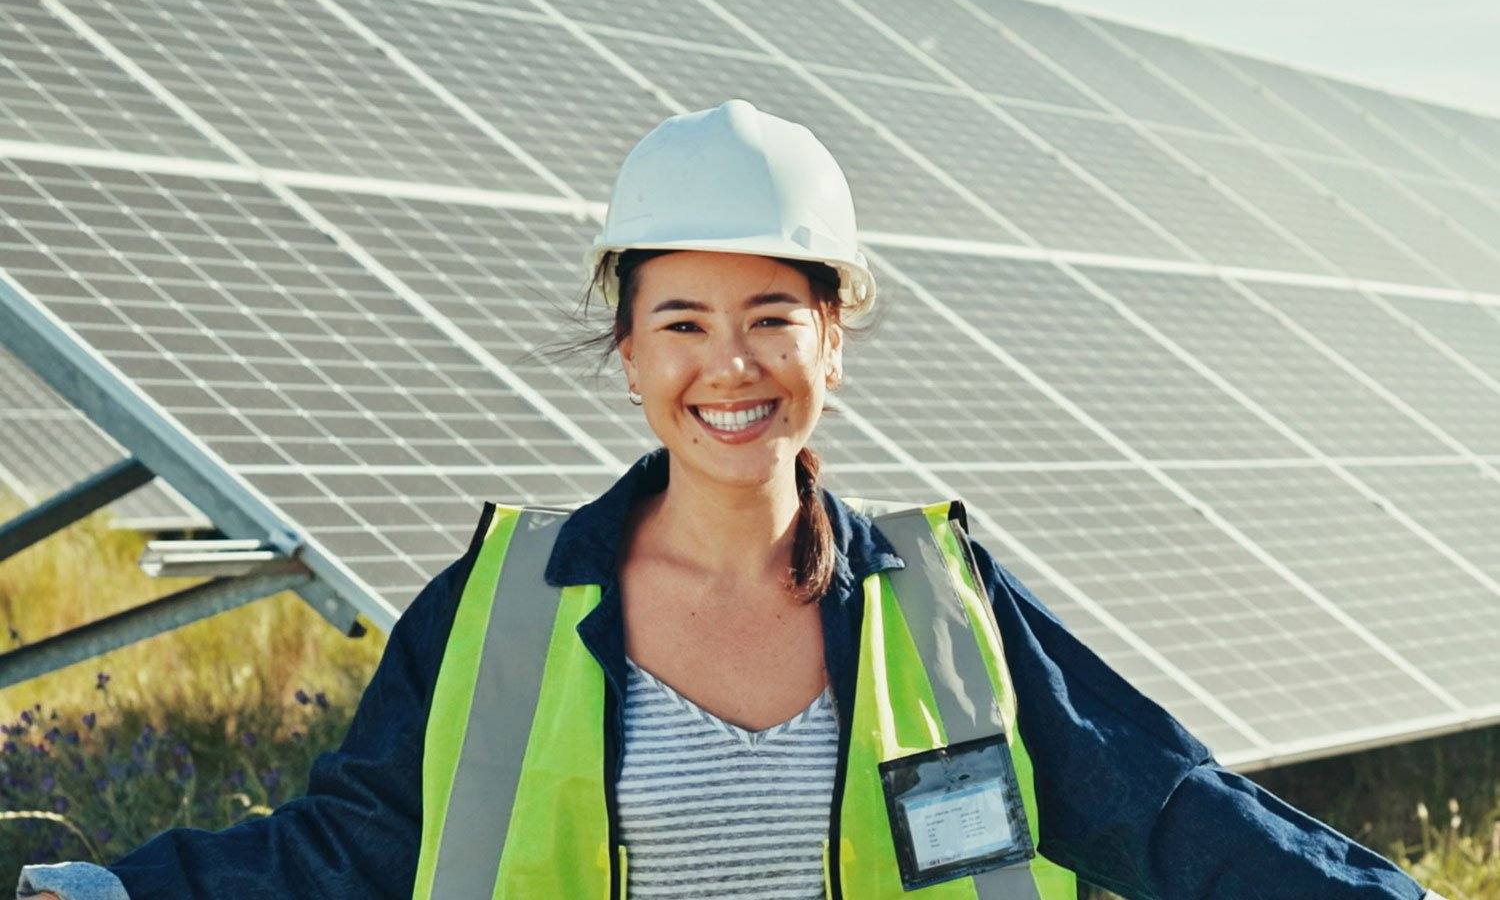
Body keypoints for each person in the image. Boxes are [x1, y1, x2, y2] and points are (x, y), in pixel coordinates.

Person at [18, 100, 1447, 899]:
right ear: (627, 345)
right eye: (684, 320)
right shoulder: (503, 609)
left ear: (835, 334)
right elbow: (349, 848)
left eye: (773, 313)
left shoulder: (942, 607)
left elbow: (1165, 814)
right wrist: (118, 898)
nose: (730, 366)